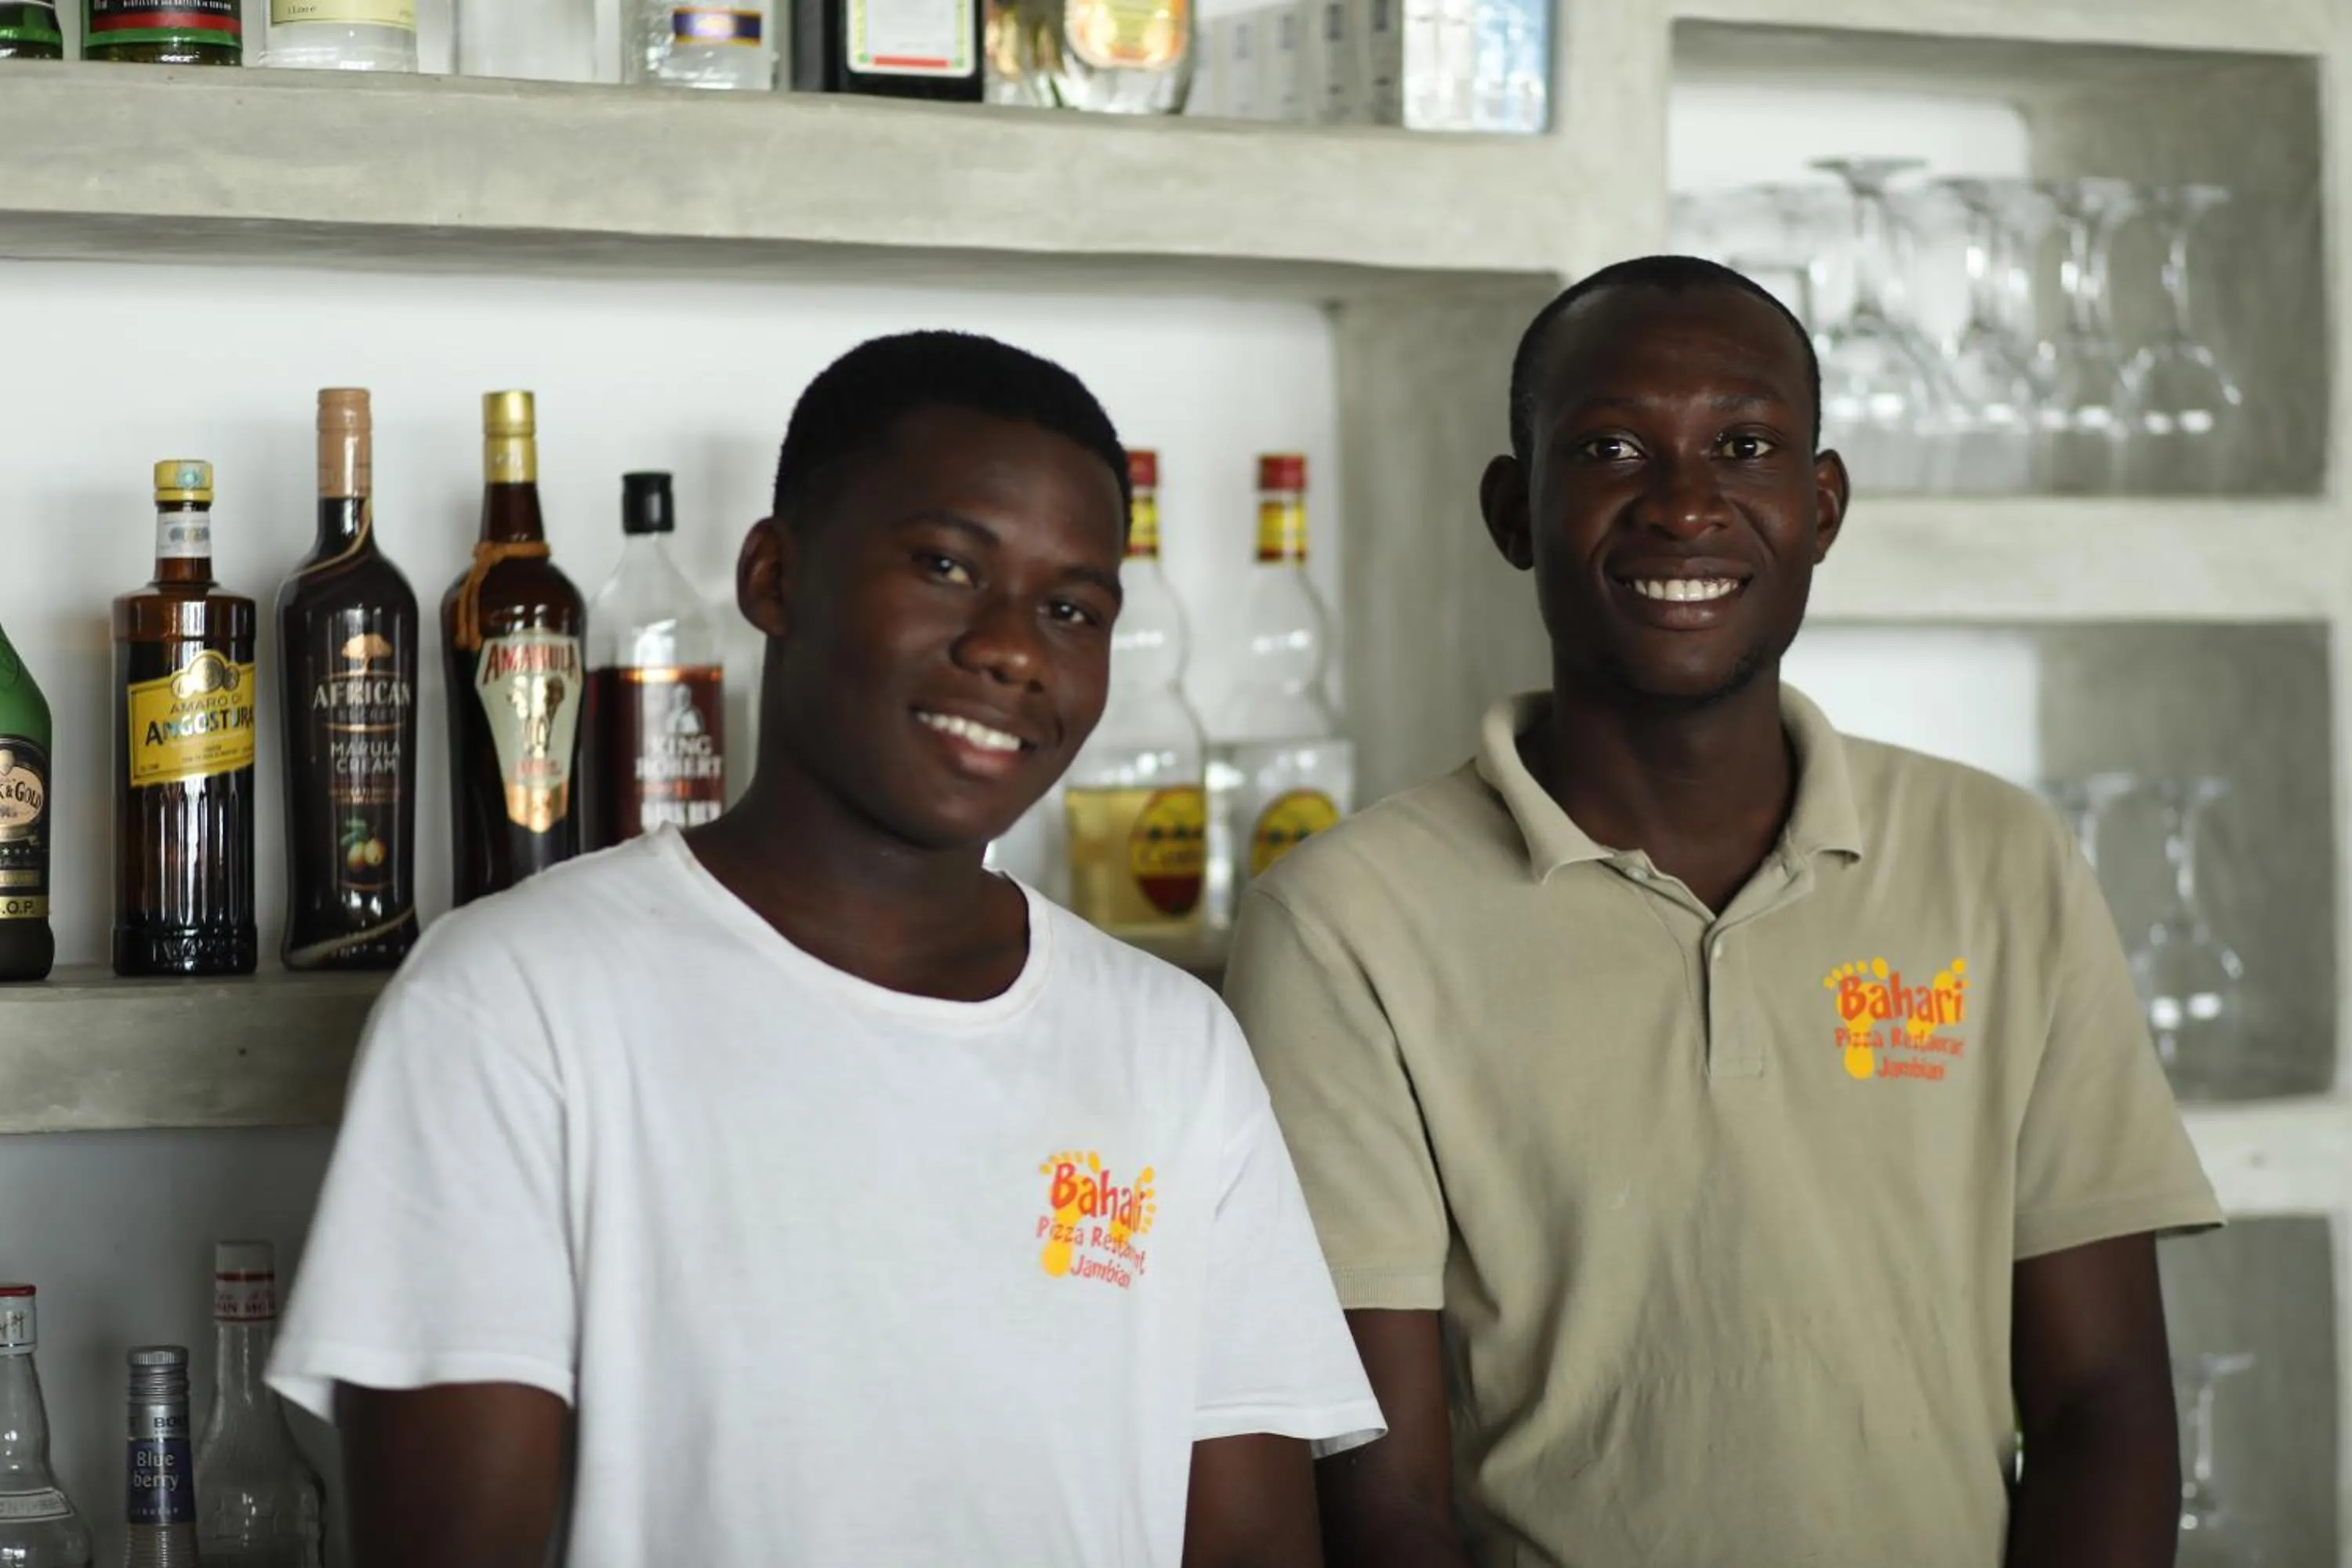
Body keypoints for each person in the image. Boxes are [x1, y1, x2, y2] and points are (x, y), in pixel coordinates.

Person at [269, 331, 1384, 1566]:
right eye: (948, 566)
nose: (1014, 647)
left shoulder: (1176, 1050)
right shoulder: (515, 1001)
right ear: (774, 576)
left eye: (1071, 608)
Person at [1221, 257, 2222, 1568]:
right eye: (1613, 447)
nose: (1684, 504)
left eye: (1742, 446)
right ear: (1515, 511)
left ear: (1821, 506)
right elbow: (1379, 1495)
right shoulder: (1344, 921)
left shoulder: (2000, 861)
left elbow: (2104, 1409)